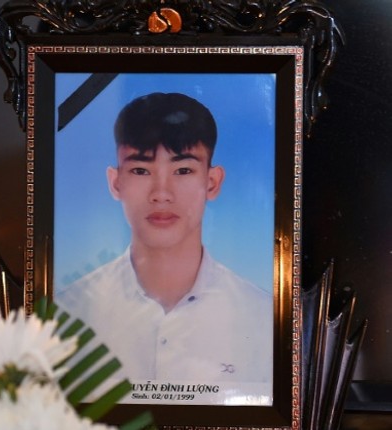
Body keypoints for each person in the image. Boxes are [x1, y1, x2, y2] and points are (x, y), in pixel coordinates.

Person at [55, 92, 273, 385]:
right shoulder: (67, 314)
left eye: (183, 170)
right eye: (141, 170)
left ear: (212, 182)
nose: (161, 193)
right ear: (115, 182)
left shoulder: (264, 319)